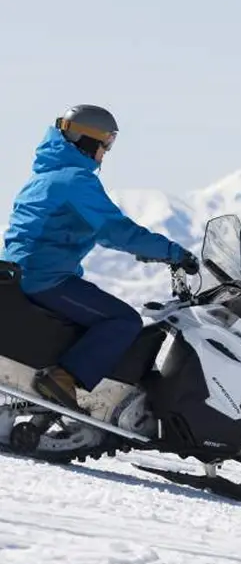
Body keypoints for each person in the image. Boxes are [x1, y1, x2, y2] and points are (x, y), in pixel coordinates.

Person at [1, 104, 199, 412]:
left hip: (23, 272)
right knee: (123, 320)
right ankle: (62, 380)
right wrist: (173, 253)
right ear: (86, 139)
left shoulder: (45, 177)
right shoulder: (75, 180)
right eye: (106, 141)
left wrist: (148, 253)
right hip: (46, 278)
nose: (107, 150)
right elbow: (115, 230)